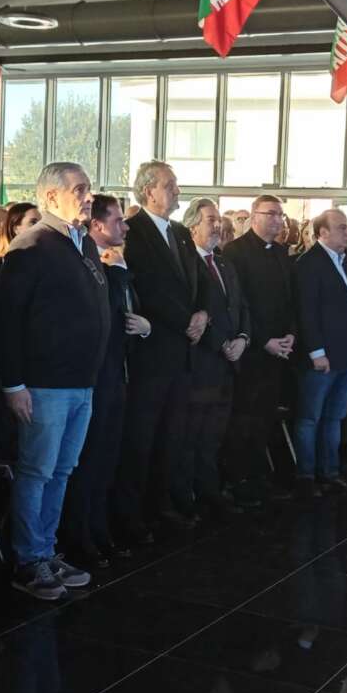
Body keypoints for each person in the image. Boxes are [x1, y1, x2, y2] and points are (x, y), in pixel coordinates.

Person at [0, 162, 109, 601]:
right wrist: (14, 384)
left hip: (81, 383)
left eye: (88, 188)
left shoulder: (82, 246)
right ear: (49, 198)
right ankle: (28, 560)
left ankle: (45, 549)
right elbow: (8, 323)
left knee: (61, 471)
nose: (88, 196)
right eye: (78, 189)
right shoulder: (32, 246)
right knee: (37, 472)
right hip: (43, 385)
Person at [118, 161, 206, 532]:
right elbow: (145, 287)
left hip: (183, 351)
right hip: (153, 352)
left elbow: (198, 281)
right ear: (149, 190)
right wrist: (182, 319)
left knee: (174, 435)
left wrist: (202, 313)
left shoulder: (182, 234)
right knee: (143, 438)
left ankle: (165, 504)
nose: (177, 192)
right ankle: (135, 514)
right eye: (170, 185)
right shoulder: (132, 232)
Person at [62, 194, 149, 568]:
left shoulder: (118, 263)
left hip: (118, 378)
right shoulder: (90, 264)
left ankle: (100, 529)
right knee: (88, 462)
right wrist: (115, 274)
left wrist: (145, 327)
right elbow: (105, 317)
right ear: (96, 226)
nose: (125, 226)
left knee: (108, 460)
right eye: (117, 220)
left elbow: (132, 311)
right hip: (94, 379)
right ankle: (80, 537)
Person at [221, 194, 297, 509]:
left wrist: (291, 334)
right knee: (244, 419)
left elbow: (291, 299)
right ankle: (239, 479)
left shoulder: (282, 252)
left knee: (266, 417)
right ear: (255, 215)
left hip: (280, 351)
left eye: (281, 214)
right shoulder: (235, 252)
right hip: (252, 350)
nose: (279, 220)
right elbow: (242, 304)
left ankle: (260, 477)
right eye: (272, 213)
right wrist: (264, 339)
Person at [183, 198, 249, 515]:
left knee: (215, 434)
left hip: (230, 363)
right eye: (211, 219)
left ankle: (211, 491)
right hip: (203, 364)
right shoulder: (188, 264)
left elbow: (240, 307)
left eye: (218, 219)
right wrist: (222, 342)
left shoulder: (223, 262)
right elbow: (195, 313)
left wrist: (243, 339)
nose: (218, 225)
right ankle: (191, 495)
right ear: (193, 224)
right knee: (193, 434)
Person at [294, 209, 347, 495]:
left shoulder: (346, 262)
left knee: (334, 417)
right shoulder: (309, 264)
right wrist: (316, 352)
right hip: (321, 357)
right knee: (310, 418)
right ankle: (306, 476)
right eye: (341, 228)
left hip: (346, 355)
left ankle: (330, 472)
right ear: (322, 233)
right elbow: (306, 312)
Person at [0, 201, 40, 285]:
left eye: (42, 222)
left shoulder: (44, 258)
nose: (40, 227)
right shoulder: (0, 263)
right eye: (33, 222)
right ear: (16, 229)